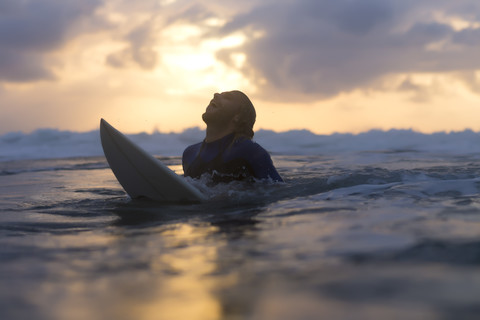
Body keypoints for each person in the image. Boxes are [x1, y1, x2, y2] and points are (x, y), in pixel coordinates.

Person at [182, 90, 283, 183]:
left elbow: (279, 191)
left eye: (227, 97)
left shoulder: (251, 152)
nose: (215, 94)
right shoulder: (189, 154)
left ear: (237, 116)